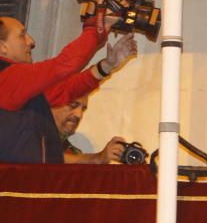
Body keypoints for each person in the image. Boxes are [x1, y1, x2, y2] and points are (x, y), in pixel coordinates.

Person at [0, 10, 123, 164]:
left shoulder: (15, 84)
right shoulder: (8, 77)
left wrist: (105, 67)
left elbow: (65, 90)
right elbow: (64, 66)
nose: (31, 41)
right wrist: (95, 29)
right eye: (22, 35)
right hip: (18, 184)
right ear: (2, 47)